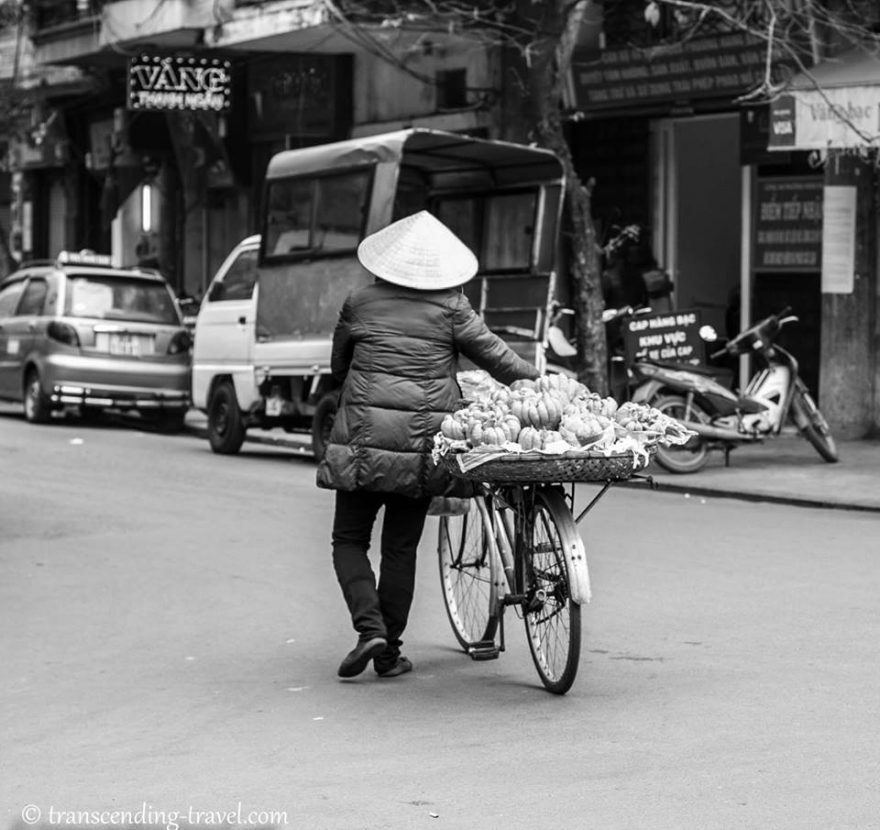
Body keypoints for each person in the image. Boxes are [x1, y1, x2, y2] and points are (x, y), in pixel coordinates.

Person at [316, 210, 540, 680]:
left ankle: (369, 628)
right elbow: (498, 358)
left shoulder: (359, 302)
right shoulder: (452, 308)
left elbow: (339, 366)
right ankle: (388, 652)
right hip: (420, 445)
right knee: (401, 548)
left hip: (360, 439)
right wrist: (542, 384)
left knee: (349, 540)